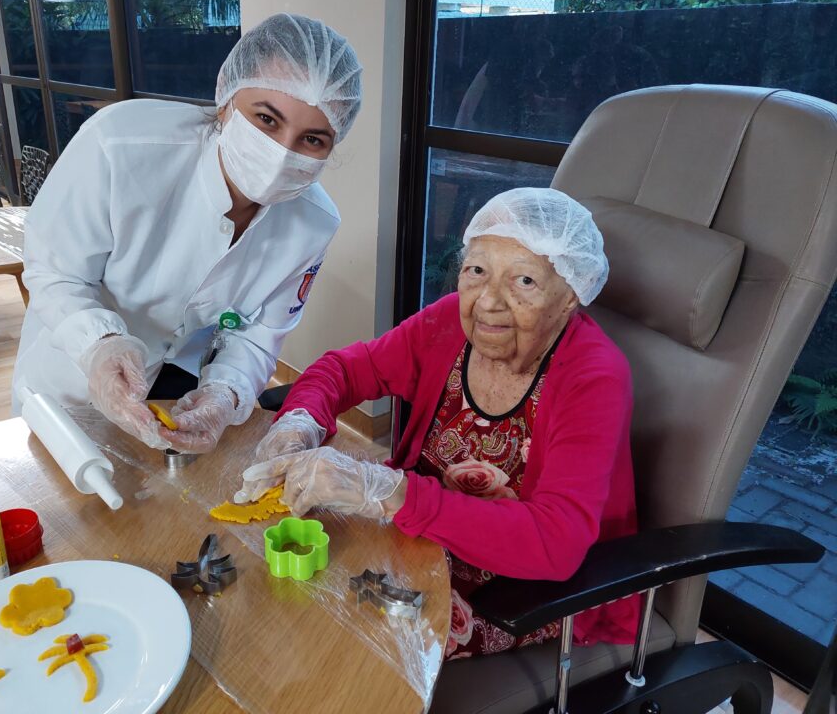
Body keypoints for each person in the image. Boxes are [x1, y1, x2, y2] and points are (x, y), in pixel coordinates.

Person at [236, 188, 639, 657]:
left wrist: (389, 491)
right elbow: (344, 370)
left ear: (570, 297)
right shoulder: (449, 323)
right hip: (416, 538)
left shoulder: (594, 376)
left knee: (353, 651)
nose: (488, 301)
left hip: (519, 588)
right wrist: (300, 421)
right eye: (476, 270)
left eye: (524, 281)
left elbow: (556, 541)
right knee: (279, 595)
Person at [12, 14, 362, 455]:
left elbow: (259, 336)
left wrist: (225, 394)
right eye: (267, 119)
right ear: (225, 101)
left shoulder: (312, 224)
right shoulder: (120, 145)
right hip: (68, 375)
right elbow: (55, 273)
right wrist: (98, 347)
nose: (281, 152)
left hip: (177, 385)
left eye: (312, 139)